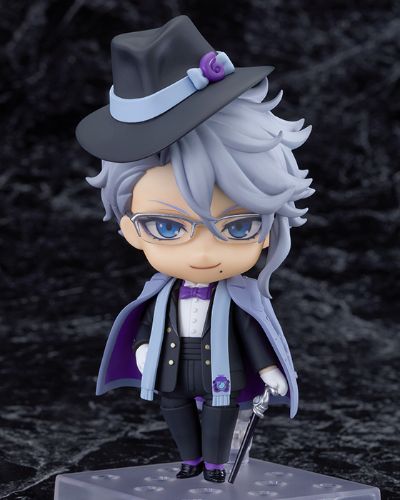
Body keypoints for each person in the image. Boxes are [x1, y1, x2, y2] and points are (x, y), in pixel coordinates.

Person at [76, 15, 313, 483]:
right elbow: (147, 324)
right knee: (176, 409)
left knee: (221, 415)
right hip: (172, 369)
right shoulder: (159, 294)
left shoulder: (239, 297)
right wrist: (144, 348)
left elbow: (251, 334)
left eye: (238, 226)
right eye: (167, 227)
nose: (204, 253)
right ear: (131, 231)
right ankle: (190, 459)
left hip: (222, 372)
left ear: (268, 228)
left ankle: (216, 465)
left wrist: (268, 369)